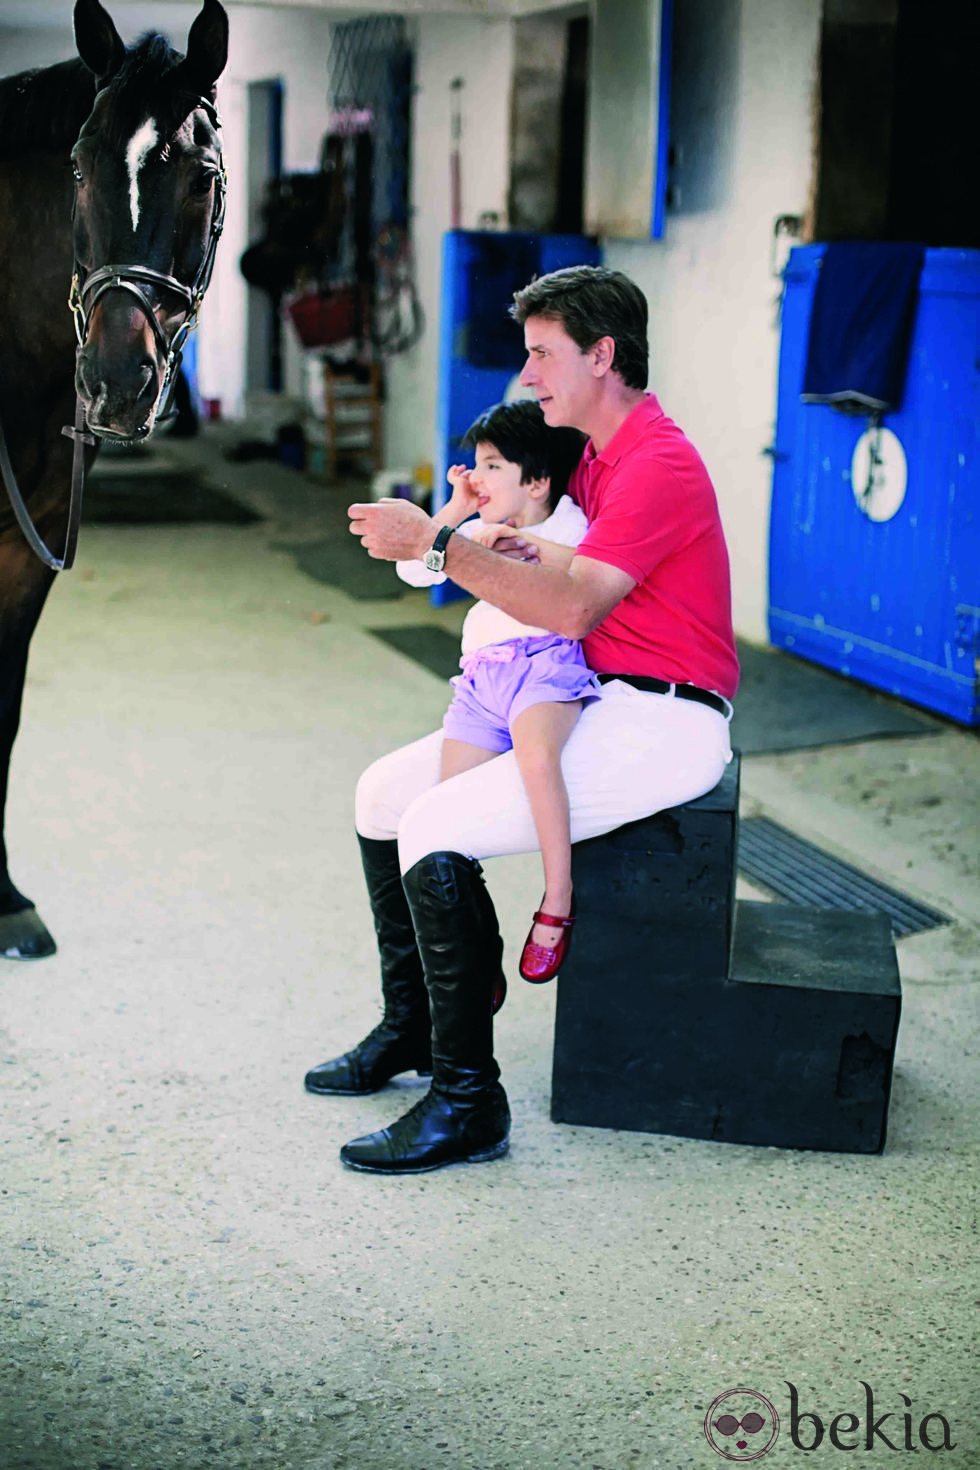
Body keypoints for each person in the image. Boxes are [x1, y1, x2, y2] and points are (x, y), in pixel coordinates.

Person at [312, 265, 739, 1176]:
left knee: (432, 824)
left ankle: (470, 1103)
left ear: (602, 354)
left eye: (543, 354)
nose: (530, 374)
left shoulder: (657, 461)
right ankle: (415, 1031)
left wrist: (435, 543)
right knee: (383, 797)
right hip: (595, 690)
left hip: (665, 719)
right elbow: (540, 544)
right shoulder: (591, 451)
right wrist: (466, 520)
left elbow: (573, 609)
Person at [395, 400, 596, 989]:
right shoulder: (474, 531)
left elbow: (591, 569)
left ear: (535, 480)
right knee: (443, 815)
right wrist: (456, 512)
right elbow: (416, 572)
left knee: (538, 761)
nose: (475, 477)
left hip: (544, 665)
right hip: (482, 679)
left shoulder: (567, 524)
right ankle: (475, 949)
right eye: (474, 464)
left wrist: (526, 547)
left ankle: (557, 898)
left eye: (490, 466)